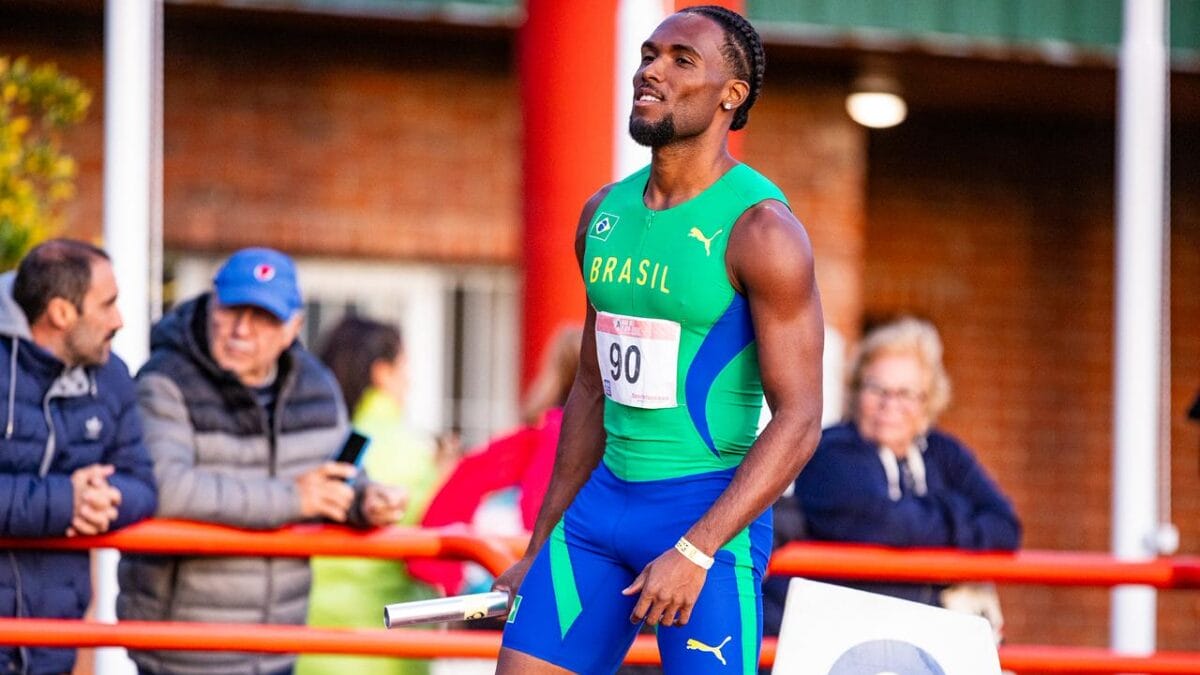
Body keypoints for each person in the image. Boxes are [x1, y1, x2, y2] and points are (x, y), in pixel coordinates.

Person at [492, 6, 825, 674]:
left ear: (732, 95)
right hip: (597, 511)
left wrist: (698, 548)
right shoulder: (602, 214)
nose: (651, 71)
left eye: (682, 60)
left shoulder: (763, 229)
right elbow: (589, 387)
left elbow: (802, 418)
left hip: (706, 517)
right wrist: (538, 543)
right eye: (649, 54)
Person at [117, 247, 406, 675]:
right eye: (233, 310)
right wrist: (294, 498)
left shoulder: (315, 384)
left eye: (264, 317)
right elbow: (165, 489)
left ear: (294, 327)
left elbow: (333, 478)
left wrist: (366, 501)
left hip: (276, 646)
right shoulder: (165, 380)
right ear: (211, 302)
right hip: (182, 647)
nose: (242, 330)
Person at [782, 316, 1020, 633]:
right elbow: (885, 524)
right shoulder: (830, 451)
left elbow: (1005, 527)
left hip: (928, 636)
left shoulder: (943, 452)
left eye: (906, 393)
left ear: (928, 400)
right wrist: (956, 511)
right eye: (877, 389)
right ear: (855, 390)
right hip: (846, 634)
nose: (889, 405)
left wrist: (928, 520)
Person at [0, 239, 158, 675]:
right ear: (60, 313)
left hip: (54, 641)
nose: (119, 320)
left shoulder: (112, 379)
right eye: (107, 305)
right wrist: (64, 502)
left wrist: (102, 499)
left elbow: (143, 484)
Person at [297, 316, 443, 675]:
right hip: (388, 645)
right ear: (382, 372)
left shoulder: (311, 441)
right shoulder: (412, 449)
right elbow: (434, 537)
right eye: (404, 367)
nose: (410, 381)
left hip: (304, 642)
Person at [408, 324, 582, 596]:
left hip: (501, 581)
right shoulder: (611, 443)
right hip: (564, 583)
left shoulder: (526, 440)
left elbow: (459, 491)